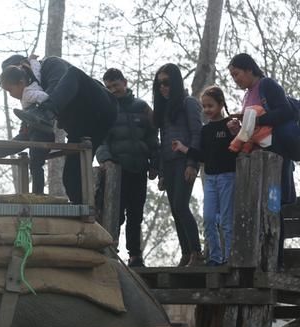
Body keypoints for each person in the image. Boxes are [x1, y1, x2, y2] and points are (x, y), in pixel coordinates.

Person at [0, 54, 117, 204]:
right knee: (71, 179)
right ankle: (86, 216)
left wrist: (43, 109)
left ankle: (47, 113)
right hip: (83, 129)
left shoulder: (51, 64)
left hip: (100, 104)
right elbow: (25, 135)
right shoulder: (31, 99)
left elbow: (58, 87)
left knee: (73, 73)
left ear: (23, 70)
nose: (13, 94)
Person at [227, 52, 297, 269]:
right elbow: (253, 129)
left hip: (277, 154)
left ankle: (277, 259)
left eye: (237, 74)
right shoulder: (247, 95)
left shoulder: (267, 85)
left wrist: (257, 119)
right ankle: (263, 257)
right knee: (262, 205)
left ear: (249, 69)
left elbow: (285, 112)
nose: (235, 79)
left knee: (274, 204)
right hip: (259, 156)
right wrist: (239, 129)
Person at [97, 68, 159, 267]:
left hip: (139, 168)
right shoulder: (105, 108)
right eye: (108, 87)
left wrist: (155, 164)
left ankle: (135, 255)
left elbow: (152, 137)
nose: (113, 90)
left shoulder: (142, 107)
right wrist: (105, 159)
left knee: (136, 214)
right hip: (116, 171)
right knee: (114, 213)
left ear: (124, 82)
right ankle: (110, 250)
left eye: (115, 85)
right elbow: (101, 139)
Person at [172, 86, 237, 266]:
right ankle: (214, 257)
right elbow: (203, 156)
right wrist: (183, 148)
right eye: (205, 106)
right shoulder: (205, 130)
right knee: (208, 218)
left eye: (211, 106)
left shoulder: (230, 124)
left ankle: (229, 257)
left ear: (221, 104)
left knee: (225, 220)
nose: (207, 110)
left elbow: (238, 148)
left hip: (227, 177)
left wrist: (235, 133)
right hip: (210, 179)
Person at [153, 63, 204, 267]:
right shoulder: (164, 109)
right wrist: (162, 173)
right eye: (159, 84)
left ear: (175, 82)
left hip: (185, 161)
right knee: (175, 208)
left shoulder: (189, 103)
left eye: (166, 82)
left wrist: (192, 163)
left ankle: (196, 253)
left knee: (181, 205)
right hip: (169, 164)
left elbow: (197, 134)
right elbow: (163, 141)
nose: (162, 87)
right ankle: (186, 254)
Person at [0, 56, 55, 193]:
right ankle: (37, 193)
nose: (10, 95)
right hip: (34, 132)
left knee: (35, 164)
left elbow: (45, 97)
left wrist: (42, 106)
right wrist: (32, 60)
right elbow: (36, 69)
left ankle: (38, 194)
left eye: (10, 90)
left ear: (21, 82)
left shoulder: (28, 94)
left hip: (42, 132)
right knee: (35, 164)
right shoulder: (33, 78)